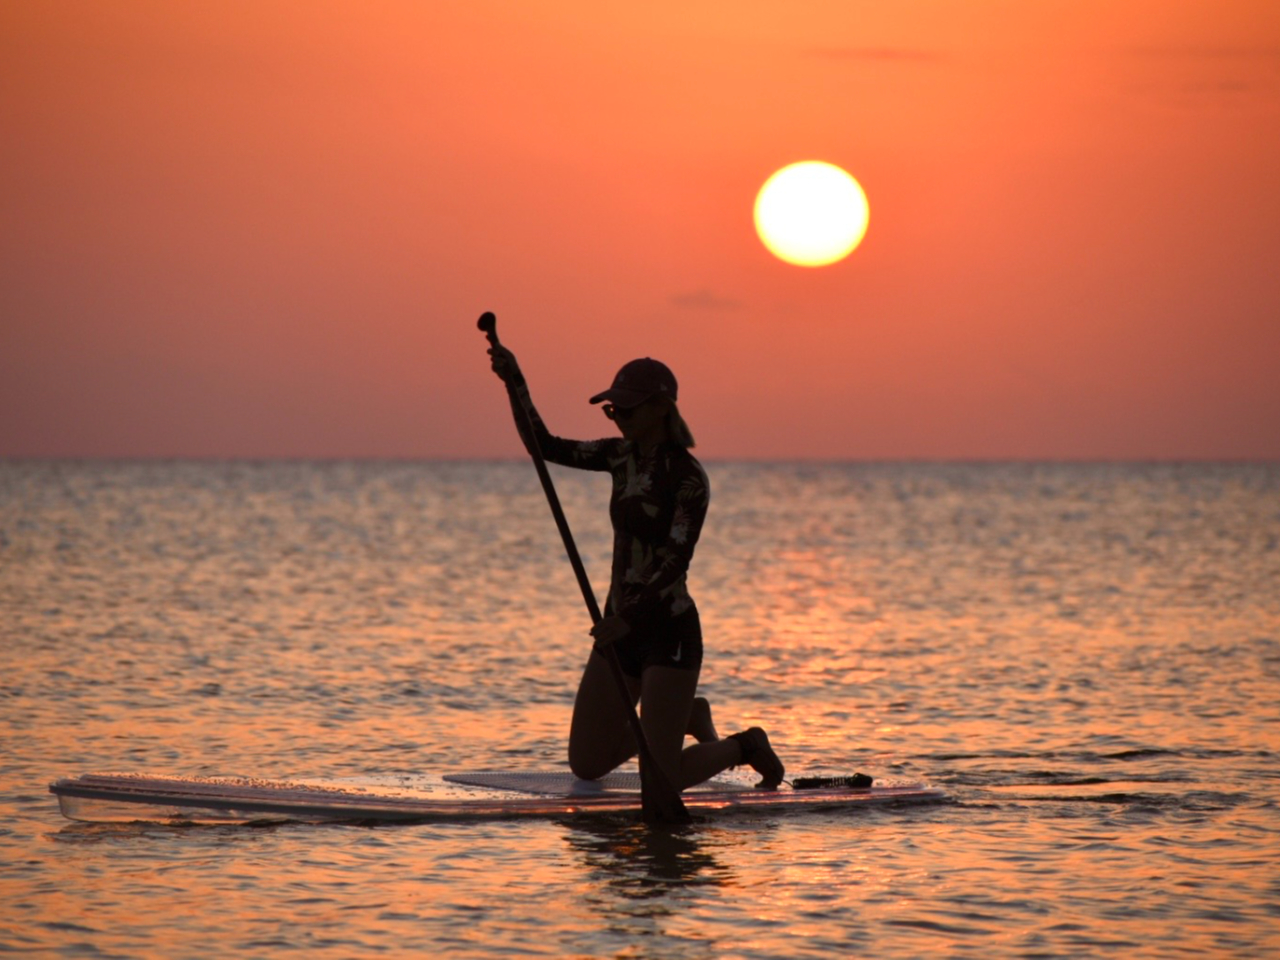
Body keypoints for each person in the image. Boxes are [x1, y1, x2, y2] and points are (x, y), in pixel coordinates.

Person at [488, 345, 785, 790]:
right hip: (619, 629)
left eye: (626, 407)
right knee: (587, 764)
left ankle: (745, 745)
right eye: (612, 409)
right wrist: (516, 382)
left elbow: (674, 561)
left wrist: (627, 619)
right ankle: (686, 717)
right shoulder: (618, 457)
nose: (617, 417)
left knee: (660, 781)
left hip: (668, 632)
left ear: (661, 409)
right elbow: (542, 446)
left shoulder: (688, 478)